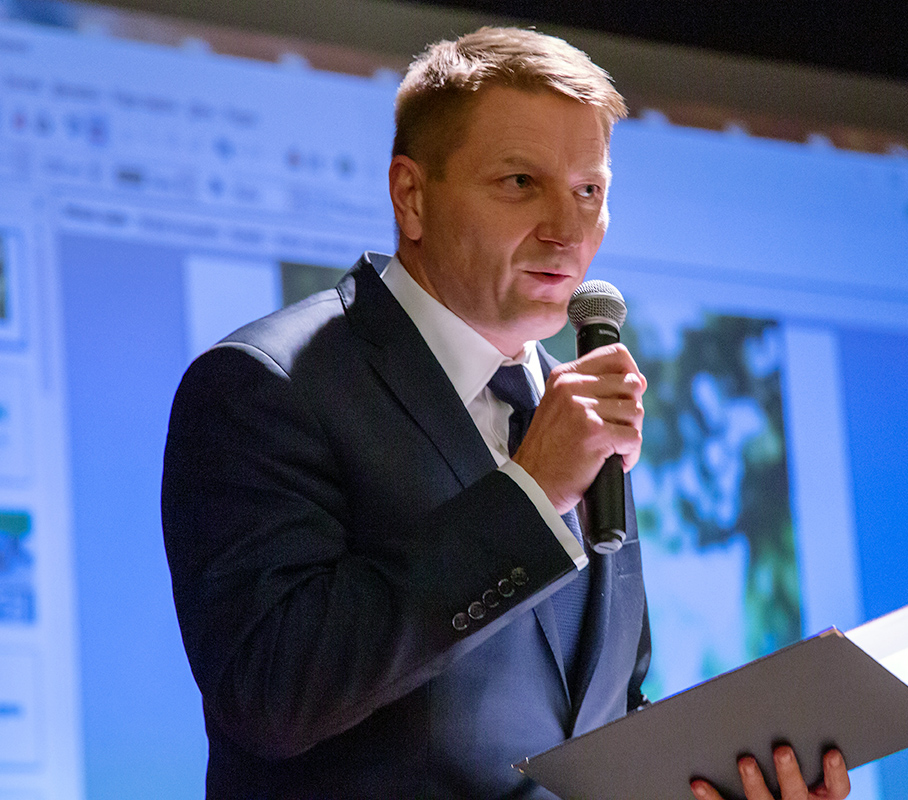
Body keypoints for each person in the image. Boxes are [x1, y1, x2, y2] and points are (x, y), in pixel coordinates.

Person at [162, 26, 849, 800]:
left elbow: (592, 723)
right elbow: (271, 691)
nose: (567, 229)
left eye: (589, 191)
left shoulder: (578, 408)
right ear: (411, 197)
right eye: (522, 182)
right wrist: (531, 494)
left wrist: (730, 782)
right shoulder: (265, 386)